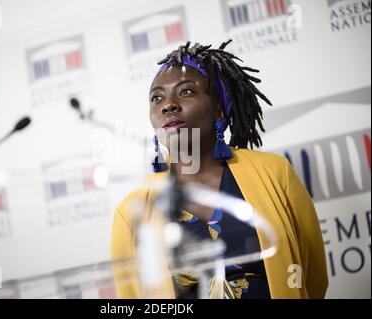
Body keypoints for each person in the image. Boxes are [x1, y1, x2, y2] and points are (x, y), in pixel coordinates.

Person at [111, 41, 328, 299]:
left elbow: (313, 278)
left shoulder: (274, 172)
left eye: (186, 92)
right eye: (157, 98)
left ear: (219, 111)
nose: (168, 105)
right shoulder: (131, 211)